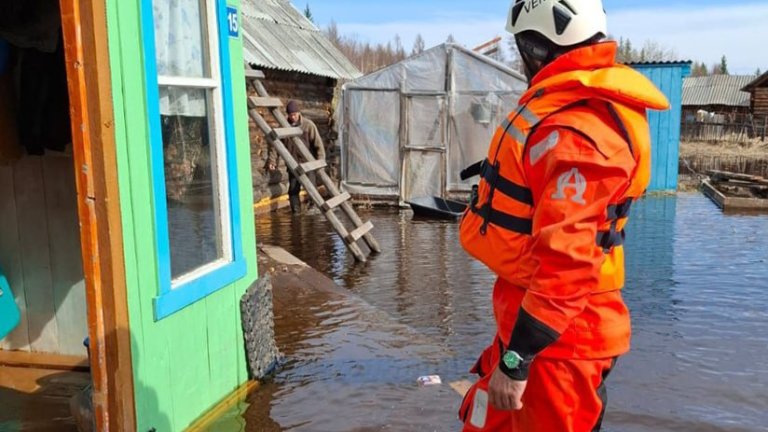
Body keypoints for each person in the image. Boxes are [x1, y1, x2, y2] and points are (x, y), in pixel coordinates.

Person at [457, 1, 669, 430]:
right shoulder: (564, 108)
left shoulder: (577, 132)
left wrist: (517, 361)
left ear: (535, 46)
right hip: (530, 324)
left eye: (521, 48)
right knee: (482, 421)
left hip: (560, 343)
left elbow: (567, 267)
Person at [267, 100, 326, 213]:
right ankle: (296, 212)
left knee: (312, 189)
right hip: (293, 165)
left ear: (298, 113)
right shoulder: (283, 126)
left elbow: (318, 145)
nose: (293, 117)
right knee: (293, 190)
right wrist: (272, 161)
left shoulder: (308, 125)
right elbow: (275, 146)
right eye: (290, 115)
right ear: (288, 115)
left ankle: (314, 209)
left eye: (294, 114)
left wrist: (320, 163)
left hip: (309, 164)